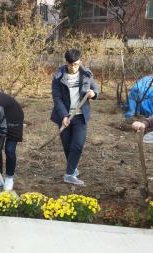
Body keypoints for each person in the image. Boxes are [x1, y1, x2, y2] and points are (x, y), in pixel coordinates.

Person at [50, 49, 99, 185]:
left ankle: (69, 174)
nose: (73, 67)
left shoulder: (86, 74)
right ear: (66, 63)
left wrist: (92, 94)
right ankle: (73, 168)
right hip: (64, 115)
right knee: (67, 146)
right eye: (71, 65)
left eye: (76, 64)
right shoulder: (58, 76)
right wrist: (64, 116)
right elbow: (57, 98)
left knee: (77, 144)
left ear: (80, 62)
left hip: (80, 115)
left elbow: (95, 90)